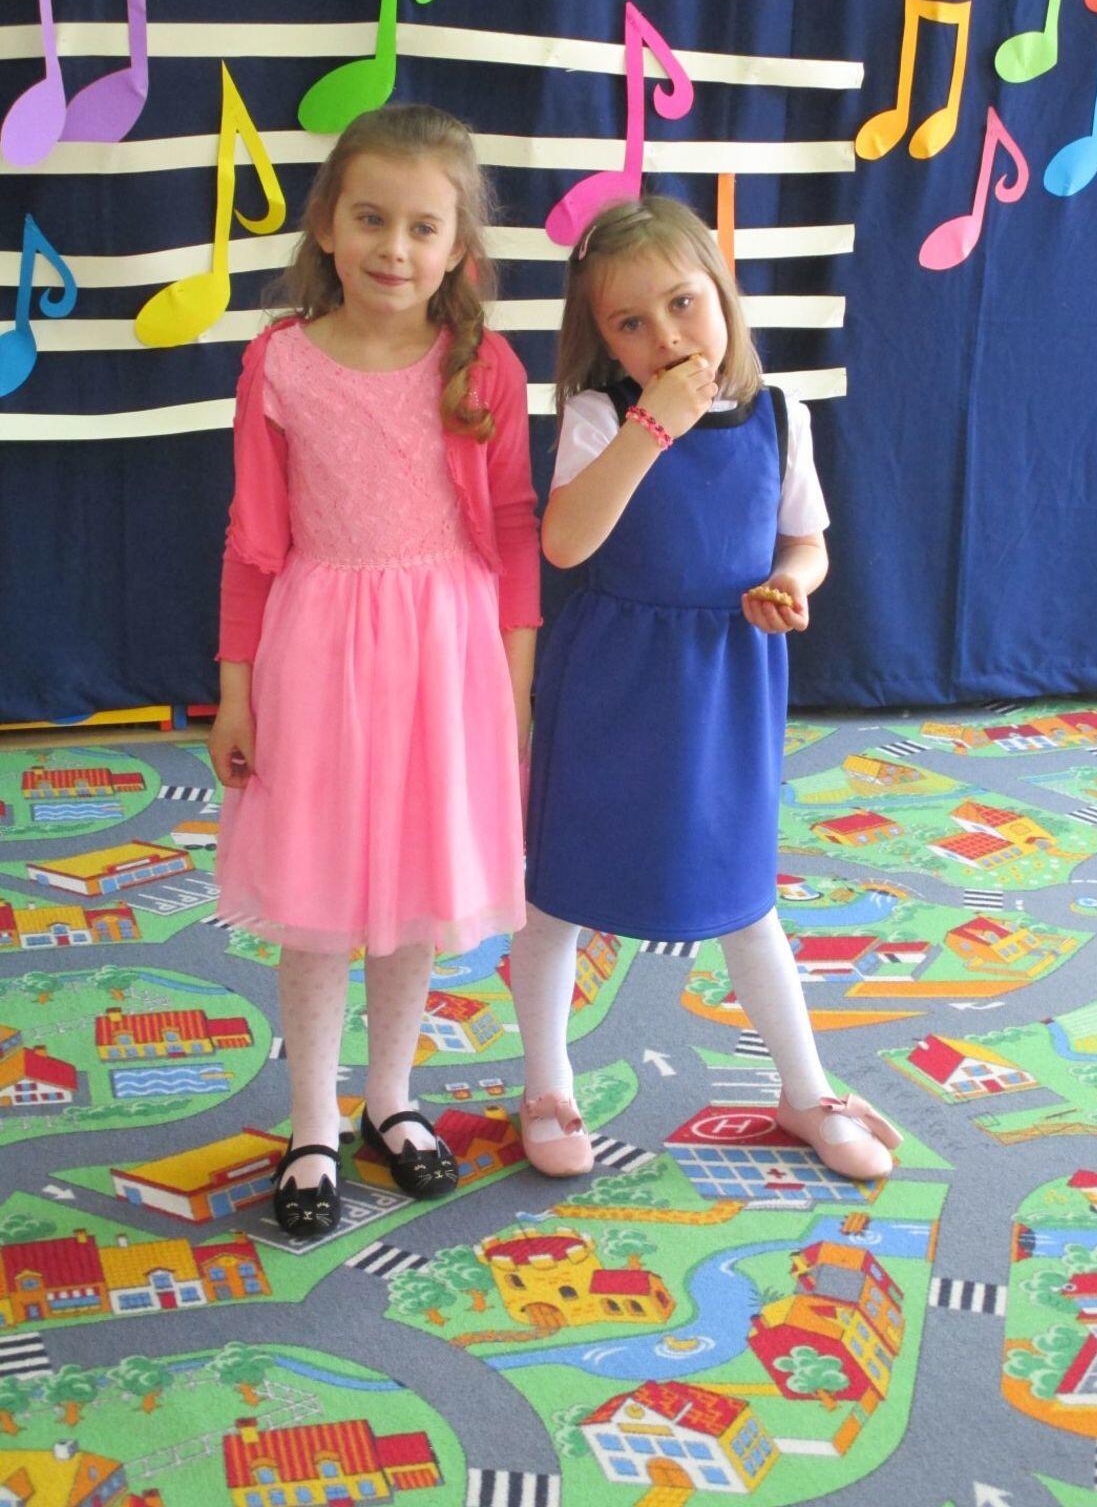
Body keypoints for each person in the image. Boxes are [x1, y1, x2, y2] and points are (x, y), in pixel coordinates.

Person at [511, 195, 901, 1182]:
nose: (666, 337)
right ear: (601, 339)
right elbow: (565, 543)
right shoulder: (601, 415)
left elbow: (805, 542)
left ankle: (804, 1090)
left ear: (722, 298)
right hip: (611, 684)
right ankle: (547, 1085)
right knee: (558, 892)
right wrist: (653, 425)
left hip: (725, 684)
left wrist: (792, 585)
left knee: (742, 894)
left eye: (683, 304)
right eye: (630, 323)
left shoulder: (779, 416)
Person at [208, 103, 540, 1237]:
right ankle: (312, 1121)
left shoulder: (482, 366)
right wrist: (237, 688)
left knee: (411, 888)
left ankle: (389, 1100)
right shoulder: (281, 362)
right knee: (315, 893)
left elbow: (512, 531)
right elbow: (251, 541)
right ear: (327, 225)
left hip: (446, 655)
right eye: (370, 218)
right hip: (317, 649)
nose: (394, 247)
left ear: (457, 248)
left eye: (422, 227)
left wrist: (513, 686)